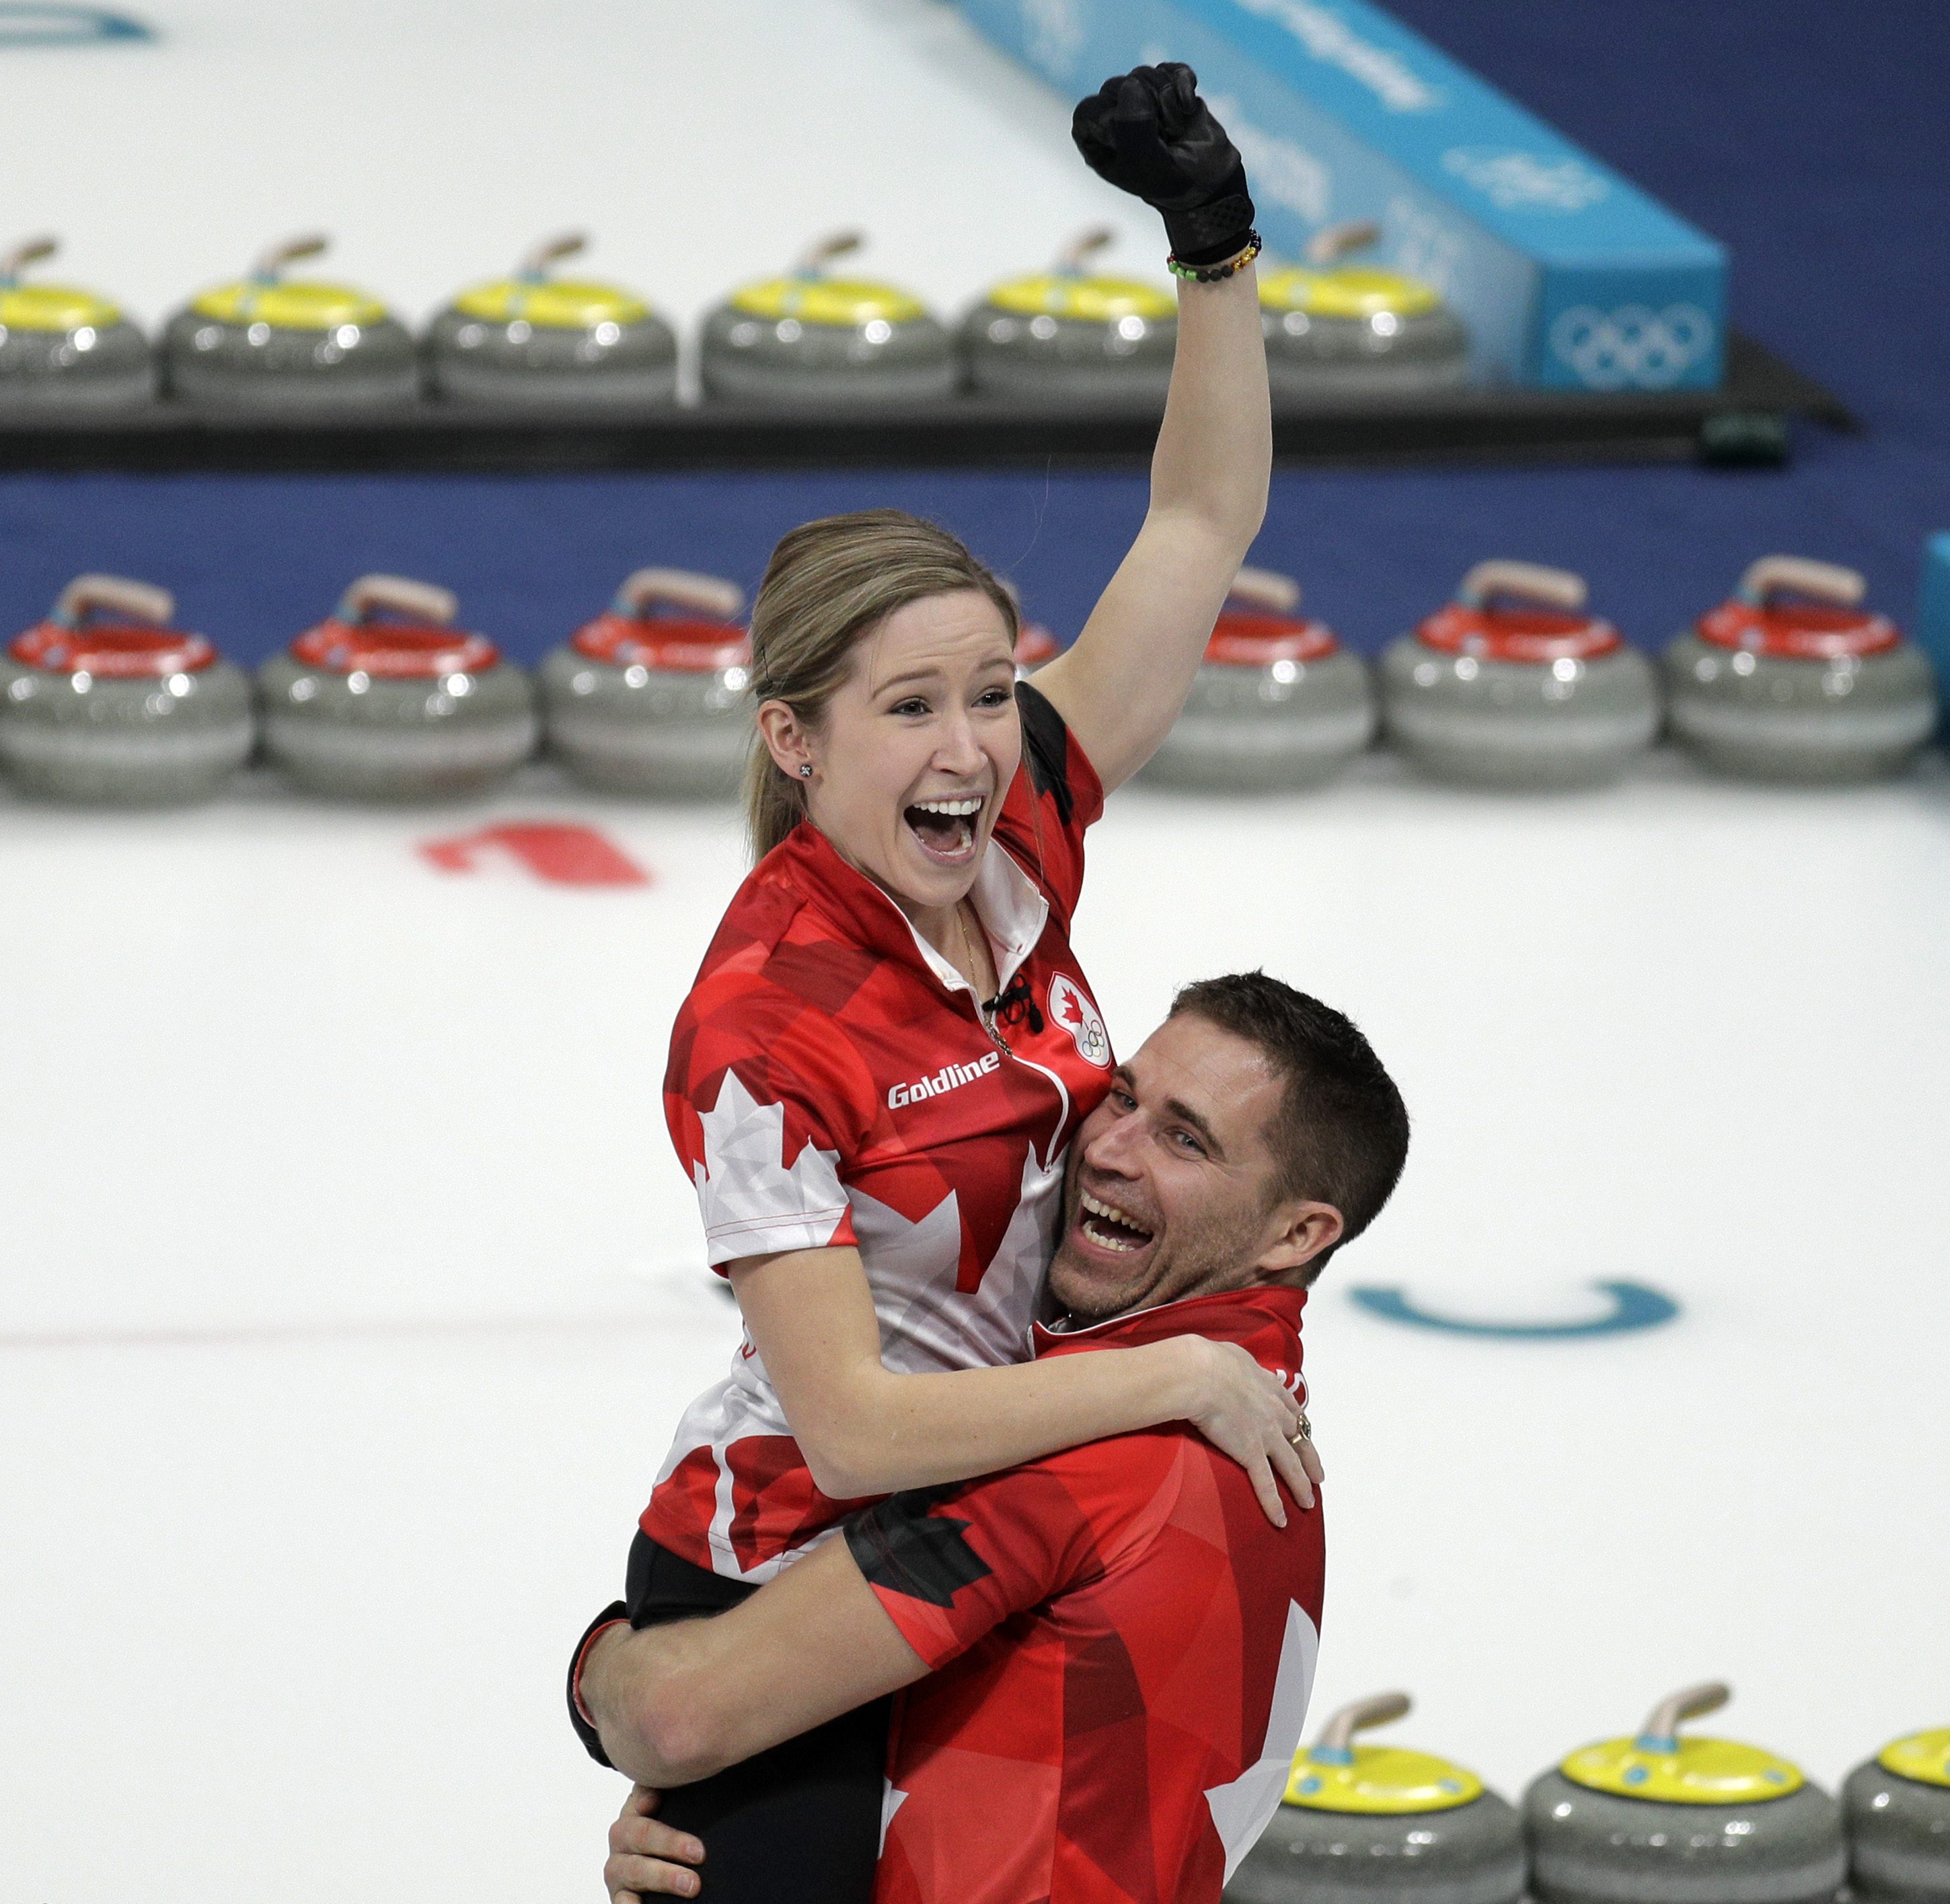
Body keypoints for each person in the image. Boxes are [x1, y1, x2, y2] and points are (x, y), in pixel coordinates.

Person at [569, 62, 1303, 1899]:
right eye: (912, 707)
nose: (975, 742)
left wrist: (1212, 252)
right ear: (797, 742)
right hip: (785, 1571)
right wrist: (1176, 1386)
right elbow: (855, 1424)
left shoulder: (1017, 826)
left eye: (989, 688)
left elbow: (1198, 528)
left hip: (986, 1534)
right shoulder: (764, 1028)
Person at [578, 974, 1411, 1904]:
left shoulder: (1088, 1450)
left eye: (1184, 1140)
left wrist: (605, 1663)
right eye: (1124, 1097)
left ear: (1297, 1233)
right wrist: (744, 1833)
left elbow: (679, 1715)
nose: (1106, 1149)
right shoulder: (1252, 1414)